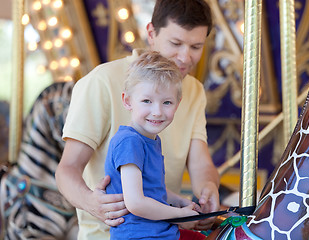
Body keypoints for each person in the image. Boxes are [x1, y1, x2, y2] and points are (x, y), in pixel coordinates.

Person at [55, 0, 220, 239]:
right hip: (110, 232)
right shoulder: (102, 81)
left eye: (196, 46)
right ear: (151, 33)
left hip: (162, 230)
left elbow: (201, 164)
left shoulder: (193, 90)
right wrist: (91, 202)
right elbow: (67, 169)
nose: (185, 57)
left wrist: (208, 191)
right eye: (176, 43)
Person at [106, 50, 206, 239]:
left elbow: (151, 189)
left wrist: (179, 201)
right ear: (127, 101)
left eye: (167, 102)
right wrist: (180, 215)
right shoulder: (129, 142)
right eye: (147, 101)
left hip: (158, 232)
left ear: (178, 104)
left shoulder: (150, 140)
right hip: (140, 235)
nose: (157, 111)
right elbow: (136, 202)